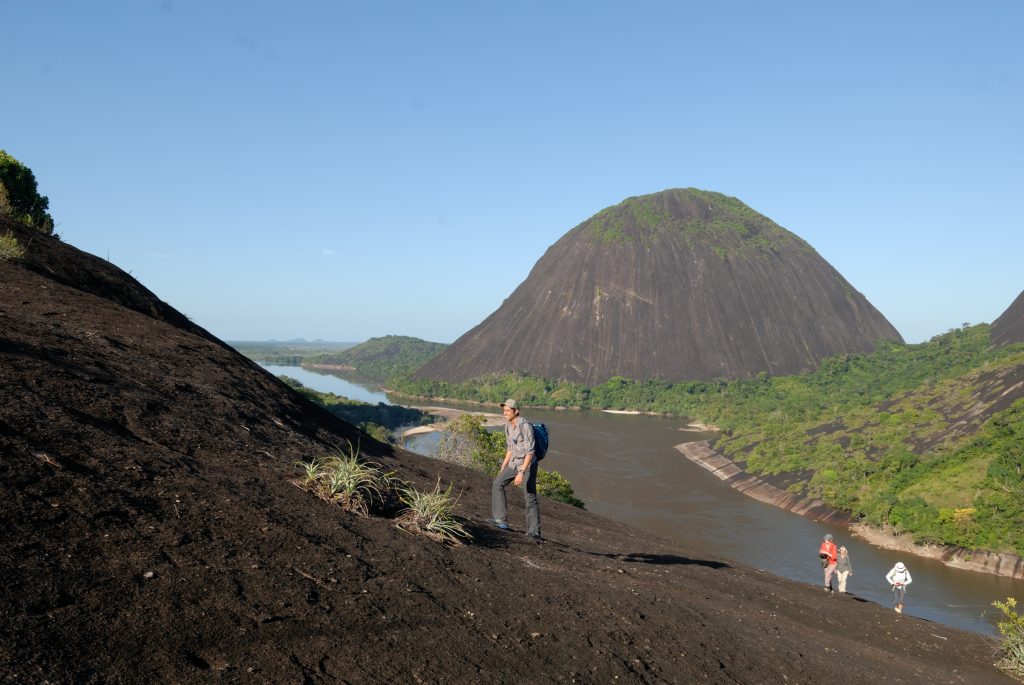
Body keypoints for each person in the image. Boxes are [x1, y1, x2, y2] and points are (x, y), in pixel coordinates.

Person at [491, 399, 541, 541]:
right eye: (504, 410)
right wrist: (504, 465)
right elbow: (510, 448)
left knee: (529, 496)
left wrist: (521, 472)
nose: (504, 413)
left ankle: (534, 532)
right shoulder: (508, 426)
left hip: (528, 464)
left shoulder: (525, 426)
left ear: (516, 411)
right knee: (497, 483)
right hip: (514, 462)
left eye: (507, 411)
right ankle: (500, 519)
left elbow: (530, 452)